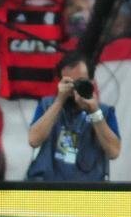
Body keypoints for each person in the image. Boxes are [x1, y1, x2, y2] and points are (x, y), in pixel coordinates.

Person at [26, 52, 121, 181]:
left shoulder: (104, 112)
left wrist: (94, 111)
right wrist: (59, 101)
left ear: (91, 81)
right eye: (69, 82)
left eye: (80, 82)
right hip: (48, 187)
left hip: (88, 189)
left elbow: (114, 152)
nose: (75, 88)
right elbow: (33, 140)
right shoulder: (47, 105)